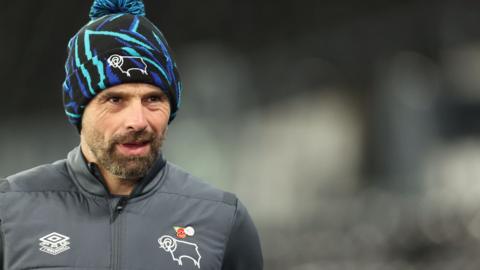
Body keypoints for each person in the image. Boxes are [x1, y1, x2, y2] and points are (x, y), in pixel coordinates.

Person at [0, 0, 263, 269]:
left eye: (153, 99)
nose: (137, 121)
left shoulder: (223, 219)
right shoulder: (9, 210)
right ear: (78, 109)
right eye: (115, 100)